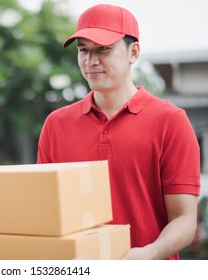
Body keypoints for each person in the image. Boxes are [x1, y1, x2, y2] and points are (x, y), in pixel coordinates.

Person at [37, 4, 200, 260]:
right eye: (83, 50)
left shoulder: (171, 121)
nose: (91, 61)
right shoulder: (56, 125)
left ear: (133, 52)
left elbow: (185, 219)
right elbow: (47, 211)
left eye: (103, 49)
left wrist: (149, 253)